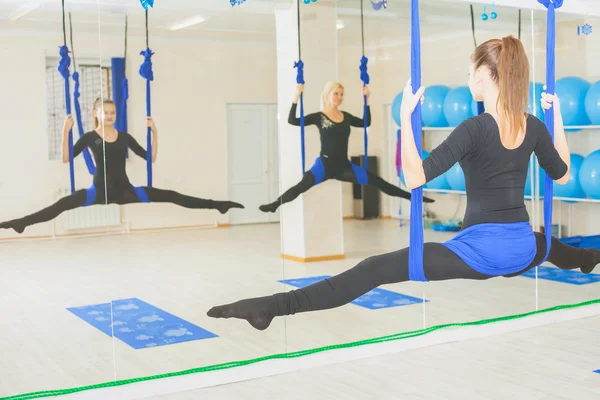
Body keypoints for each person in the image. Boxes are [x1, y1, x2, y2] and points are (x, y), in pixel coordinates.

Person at [208, 36, 600, 331]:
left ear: (483, 74)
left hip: (483, 254)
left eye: (469, 73)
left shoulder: (474, 127)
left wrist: (408, 121)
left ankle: (273, 307)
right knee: (548, 246)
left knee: (374, 268)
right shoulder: (531, 125)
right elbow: (563, 172)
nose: (468, 81)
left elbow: (414, 176)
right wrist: (559, 118)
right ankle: (587, 259)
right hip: (521, 247)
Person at [0, 98, 244, 234]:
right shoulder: (89, 137)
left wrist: (155, 132)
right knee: (61, 205)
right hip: (98, 193)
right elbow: (66, 158)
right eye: (104, 112)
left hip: (126, 191)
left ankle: (218, 205)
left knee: (171, 195)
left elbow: (150, 158)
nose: (109, 116)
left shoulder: (124, 137)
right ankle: (22, 222)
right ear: (96, 113)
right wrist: (65, 131)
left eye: (112, 112)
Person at [259, 81, 433, 213]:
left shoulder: (346, 117)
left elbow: (366, 122)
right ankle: (275, 205)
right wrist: (296, 95)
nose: (339, 97)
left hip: (344, 166)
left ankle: (414, 198)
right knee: (300, 187)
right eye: (336, 93)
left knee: (379, 182)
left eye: (341, 94)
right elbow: (292, 120)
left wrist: (367, 99)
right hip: (324, 166)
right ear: (327, 94)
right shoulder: (319, 117)